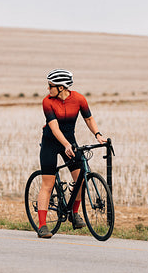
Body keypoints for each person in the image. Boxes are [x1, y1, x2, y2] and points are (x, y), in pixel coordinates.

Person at [37, 69, 106, 238]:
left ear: (61, 87)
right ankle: (43, 225)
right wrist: (66, 144)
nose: (48, 89)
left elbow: (89, 119)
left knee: (80, 179)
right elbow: (54, 127)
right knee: (48, 183)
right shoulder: (47, 102)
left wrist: (98, 135)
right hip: (51, 143)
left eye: (51, 86)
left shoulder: (79, 99)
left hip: (69, 141)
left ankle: (74, 214)